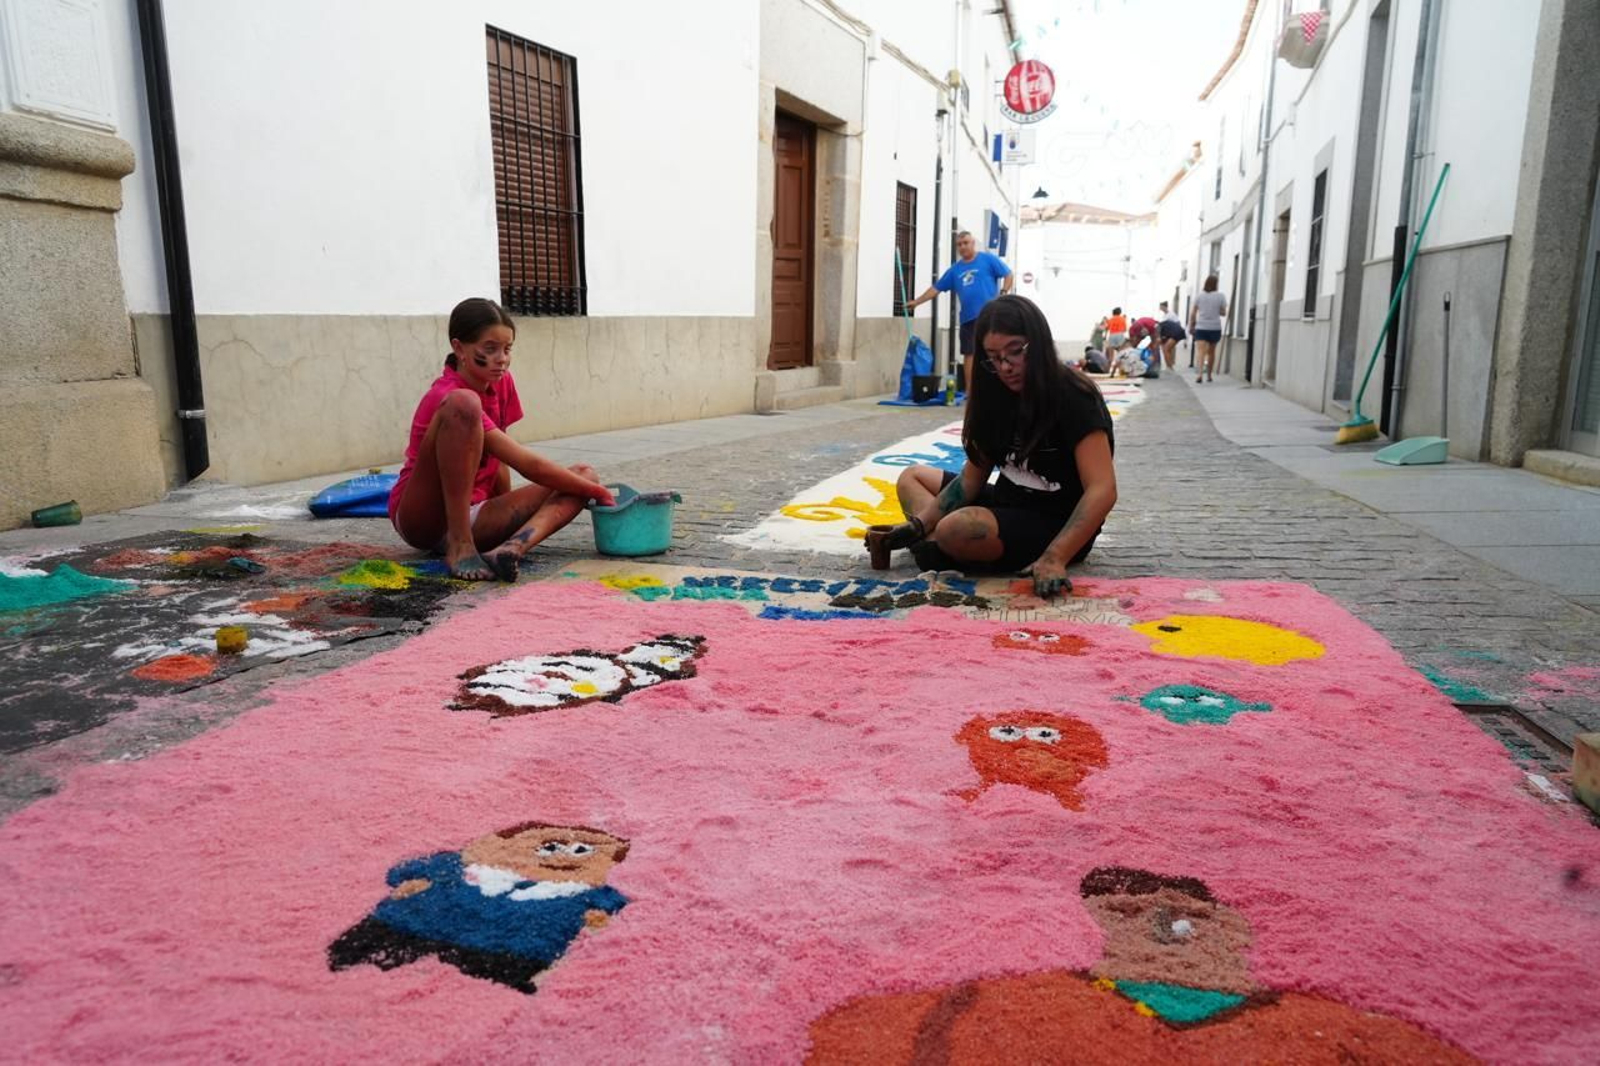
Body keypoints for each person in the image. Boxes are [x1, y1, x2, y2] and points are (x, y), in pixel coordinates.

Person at [808, 865, 1475, 1063]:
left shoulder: (1345, 1034)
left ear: (1235, 928)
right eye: (1124, 917)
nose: (1163, 931)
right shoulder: (987, 1005)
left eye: (1174, 917)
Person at [864, 295, 1117, 598]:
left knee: (956, 528)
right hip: (1007, 504)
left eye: (1015, 352)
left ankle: (940, 544)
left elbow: (1103, 489)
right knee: (912, 478)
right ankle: (933, 542)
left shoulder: (1074, 396)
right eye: (994, 357)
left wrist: (1056, 556)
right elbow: (972, 479)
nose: (1006, 367)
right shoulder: (994, 394)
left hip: (1058, 522)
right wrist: (919, 525)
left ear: (1038, 344)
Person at [387, 297, 615, 582]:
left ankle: (510, 549)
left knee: (584, 476)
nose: (502, 359)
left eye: (507, 349)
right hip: (424, 519)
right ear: (459, 348)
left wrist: (504, 515)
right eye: (490, 349)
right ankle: (460, 546)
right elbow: (527, 463)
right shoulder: (448, 395)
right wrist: (603, 494)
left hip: (473, 516)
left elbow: (500, 461)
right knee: (465, 403)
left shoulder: (501, 383)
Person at [904, 231, 1014, 395]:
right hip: (968, 319)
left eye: (966, 243)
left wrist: (1004, 293)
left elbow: (1008, 274)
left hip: (990, 316)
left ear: (973, 243)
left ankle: (999, 387)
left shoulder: (987, 259)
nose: (963, 247)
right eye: (959, 244)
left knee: (995, 351)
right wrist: (917, 302)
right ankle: (970, 392)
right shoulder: (955, 270)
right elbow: (936, 288)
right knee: (969, 355)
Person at [1188, 276, 1228, 383]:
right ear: (1216, 284)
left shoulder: (1199, 296)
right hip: (1215, 327)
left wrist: (1191, 325)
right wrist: (1215, 311)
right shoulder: (1221, 296)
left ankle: (1200, 374)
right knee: (1211, 352)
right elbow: (1223, 313)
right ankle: (1209, 375)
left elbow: (1193, 313)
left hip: (1201, 327)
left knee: (1201, 352)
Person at [1157, 300, 1186, 369]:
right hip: (1169, 334)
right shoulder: (1164, 315)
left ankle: (1170, 366)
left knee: (1167, 349)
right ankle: (1169, 365)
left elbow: (1178, 323)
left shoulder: (1171, 314)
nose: (1160, 309)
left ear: (1164, 307)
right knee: (1166, 349)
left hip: (1174, 333)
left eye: (1161, 307)